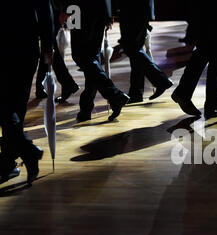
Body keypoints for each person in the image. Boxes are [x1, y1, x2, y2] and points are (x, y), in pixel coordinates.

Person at [0, 1, 54, 186]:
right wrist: (47, 47)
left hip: (10, 46)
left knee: (9, 106)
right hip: (25, 47)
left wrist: (48, 48)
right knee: (15, 106)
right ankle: (12, 160)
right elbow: (45, 12)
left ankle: (19, 156)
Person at [171, 0, 217, 119]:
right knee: (215, 55)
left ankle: (194, 95)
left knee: (206, 52)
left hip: (203, 9)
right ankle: (208, 100)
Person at [65, 0, 130, 122]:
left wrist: (67, 10)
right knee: (92, 57)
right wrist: (109, 12)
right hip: (100, 9)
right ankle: (86, 108)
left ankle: (114, 95)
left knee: (80, 55)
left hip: (78, 9)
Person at [118, 0, 173, 104]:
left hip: (133, 8)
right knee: (135, 49)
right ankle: (136, 93)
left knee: (131, 48)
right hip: (139, 8)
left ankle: (161, 80)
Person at [35, 0, 79, 103]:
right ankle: (41, 87)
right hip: (50, 9)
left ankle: (67, 84)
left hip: (54, 10)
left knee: (49, 49)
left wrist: (65, 12)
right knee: (47, 49)